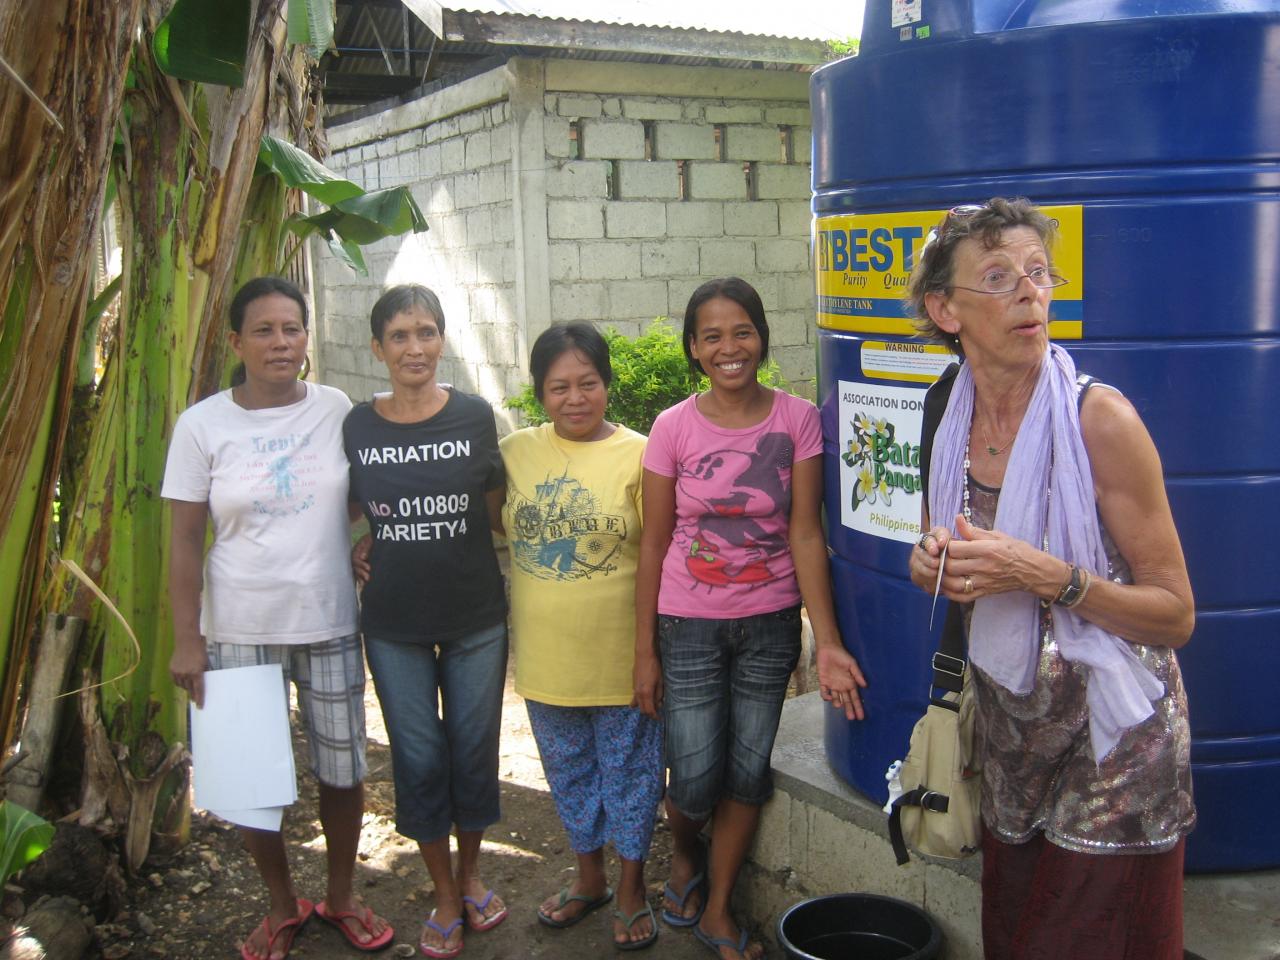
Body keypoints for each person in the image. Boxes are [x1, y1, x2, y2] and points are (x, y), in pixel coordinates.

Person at [905, 198, 1196, 960]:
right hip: (1013, 733)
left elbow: (1175, 615)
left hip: (1115, 739)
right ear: (945, 309)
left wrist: (1052, 578)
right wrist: (929, 561)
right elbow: (946, 540)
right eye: (998, 277)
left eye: (1039, 273)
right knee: (1017, 933)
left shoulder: (1101, 419)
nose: (1030, 292)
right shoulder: (945, 412)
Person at [633, 277, 867, 960]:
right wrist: (644, 651)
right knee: (696, 774)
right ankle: (683, 853)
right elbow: (653, 540)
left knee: (746, 772)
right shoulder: (673, 427)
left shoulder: (796, 421)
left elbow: (805, 533)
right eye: (712, 335)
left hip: (769, 623)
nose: (729, 347)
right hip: (688, 623)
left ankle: (717, 906)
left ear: (761, 337)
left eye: (742, 331)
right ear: (694, 349)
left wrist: (825, 642)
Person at [164, 276, 393, 960]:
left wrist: (365, 536)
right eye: (263, 330)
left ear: (306, 337)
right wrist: (186, 639)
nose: (280, 342)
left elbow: (366, 493)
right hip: (237, 628)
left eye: (291, 328)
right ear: (236, 342)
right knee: (251, 780)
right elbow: (181, 541)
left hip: (327, 619)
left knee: (342, 769)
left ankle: (343, 895)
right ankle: (281, 904)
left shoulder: (335, 409)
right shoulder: (202, 425)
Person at [344, 284, 509, 960]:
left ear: (442, 339)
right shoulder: (357, 425)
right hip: (392, 623)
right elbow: (352, 503)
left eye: (427, 332)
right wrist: (364, 538)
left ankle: (472, 874)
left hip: (476, 616)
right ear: (378, 347)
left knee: (471, 753)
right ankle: (444, 892)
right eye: (400, 335)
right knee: (418, 758)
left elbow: (497, 514)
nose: (415, 347)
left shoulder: (473, 416)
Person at [494, 322, 663, 950]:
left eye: (587, 383)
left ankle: (631, 888)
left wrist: (649, 654)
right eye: (558, 386)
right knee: (569, 774)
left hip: (622, 657)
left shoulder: (643, 453)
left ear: (607, 383)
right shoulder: (516, 453)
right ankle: (589, 878)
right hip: (545, 659)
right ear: (539, 392)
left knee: (633, 775)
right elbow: (495, 523)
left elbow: (657, 554)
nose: (574, 398)